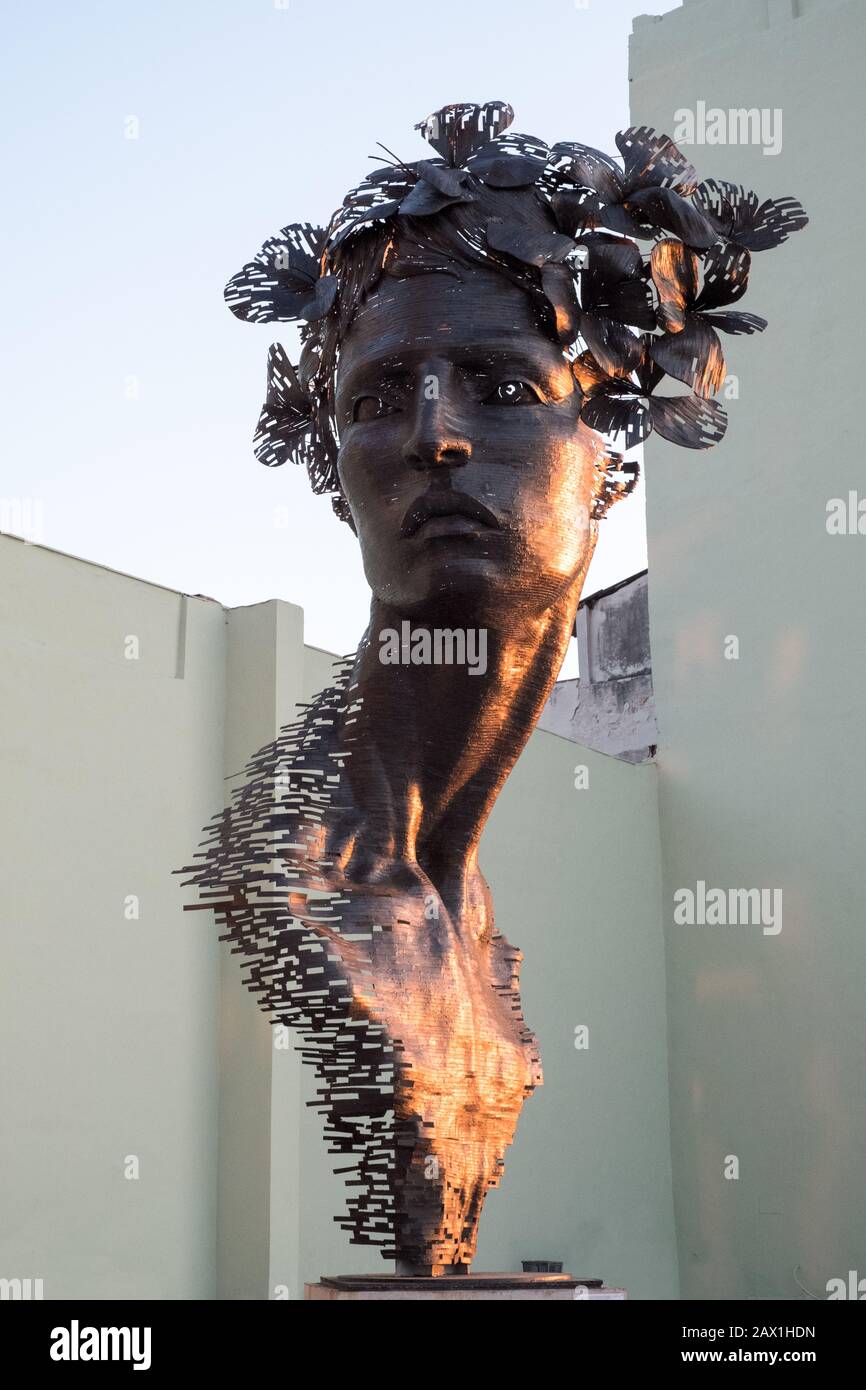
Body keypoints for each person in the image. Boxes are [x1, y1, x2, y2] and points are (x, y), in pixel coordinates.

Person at [182, 102, 806, 1276]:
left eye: (503, 389)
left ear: (609, 462)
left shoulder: (474, 925)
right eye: (374, 398)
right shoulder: (288, 871)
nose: (434, 435)